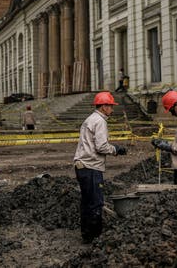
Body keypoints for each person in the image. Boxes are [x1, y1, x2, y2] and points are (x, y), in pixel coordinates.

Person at [73, 91, 127, 244]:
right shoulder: (100, 121)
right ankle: (95, 237)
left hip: (82, 165)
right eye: (110, 106)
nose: (112, 109)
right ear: (103, 107)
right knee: (96, 203)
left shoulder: (90, 119)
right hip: (91, 167)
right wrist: (116, 149)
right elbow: (101, 147)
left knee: (87, 202)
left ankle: (86, 235)